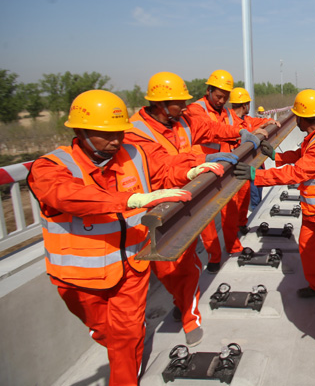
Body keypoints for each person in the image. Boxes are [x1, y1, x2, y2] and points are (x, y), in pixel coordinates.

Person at [27, 90, 209, 385]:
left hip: (131, 269)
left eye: (120, 133)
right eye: (106, 135)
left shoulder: (133, 154)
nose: (115, 141)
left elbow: (164, 171)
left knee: (127, 336)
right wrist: (133, 199)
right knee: (109, 335)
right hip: (79, 280)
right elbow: (69, 196)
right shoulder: (51, 167)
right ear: (80, 131)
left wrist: (192, 170)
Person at [126, 72, 245, 346]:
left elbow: (211, 129)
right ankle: (181, 299)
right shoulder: (137, 133)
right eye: (179, 102)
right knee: (165, 269)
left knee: (188, 265)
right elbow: (163, 168)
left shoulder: (183, 120)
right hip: (153, 208)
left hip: (181, 202)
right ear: (160, 104)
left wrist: (239, 131)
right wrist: (201, 159)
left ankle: (190, 317)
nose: (184, 107)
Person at [236, 90, 315, 300]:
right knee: (308, 250)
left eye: (298, 116)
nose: (296, 120)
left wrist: (258, 176)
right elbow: (301, 156)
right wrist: (276, 156)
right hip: (313, 208)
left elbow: (299, 172)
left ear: (305, 118)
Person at [185, 69, 260, 272]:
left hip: (226, 168)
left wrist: (262, 125)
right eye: (219, 96)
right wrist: (239, 131)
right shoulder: (196, 109)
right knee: (206, 216)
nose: (222, 100)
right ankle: (215, 257)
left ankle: (233, 247)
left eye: (225, 97)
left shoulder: (226, 112)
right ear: (208, 90)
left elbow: (243, 124)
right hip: (205, 169)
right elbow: (208, 129)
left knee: (231, 209)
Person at [227, 87, 280, 230]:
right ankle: (240, 226)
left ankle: (242, 223)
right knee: (237, 201)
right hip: (236, 168)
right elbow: (230, 134)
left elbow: (257, 122)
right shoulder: (229, 121)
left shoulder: (246, 120)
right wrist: (251, 132)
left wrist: (269, 121)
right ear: (245, 105)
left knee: (246, 198)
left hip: (249, 164)